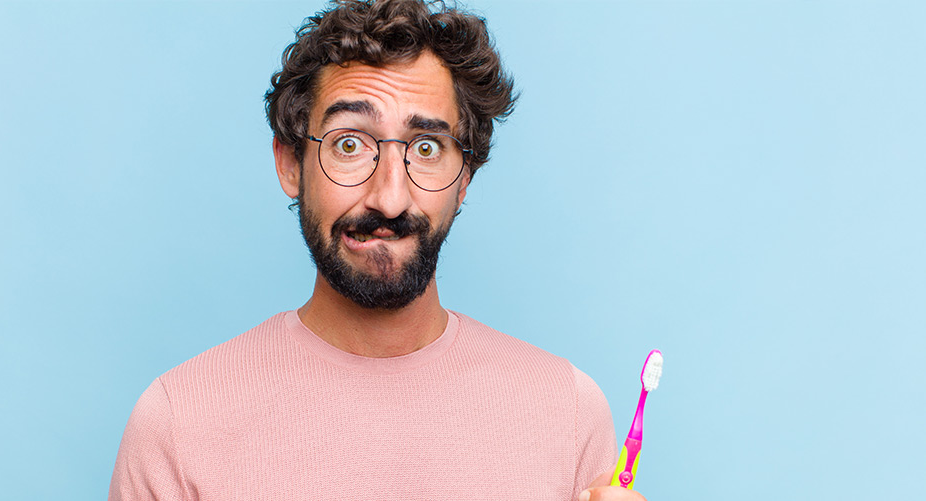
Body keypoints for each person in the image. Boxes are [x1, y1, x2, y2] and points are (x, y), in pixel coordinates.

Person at [109, 1, 647, 500]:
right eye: (350, 144)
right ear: (290, 164)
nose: (390, 198)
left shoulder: (568, 411)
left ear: (464, 179)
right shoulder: (178, 422)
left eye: (428, 148)